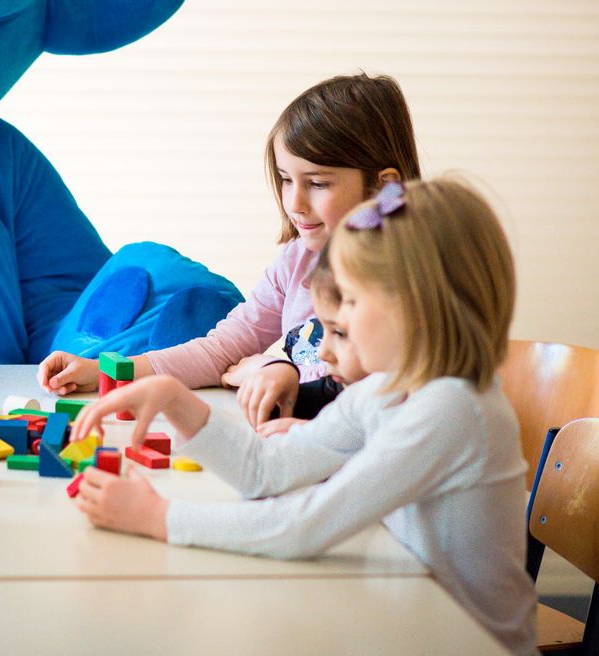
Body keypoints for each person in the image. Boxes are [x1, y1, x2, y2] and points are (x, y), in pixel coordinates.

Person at [70, 178, 536, 654]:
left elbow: (305, 526)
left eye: (349, 304)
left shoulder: (452, 408)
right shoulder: (384, 390)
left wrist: (158, 517)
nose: (327, 341)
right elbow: (266, 472)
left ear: (418, 308)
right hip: (405, 617)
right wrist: (175, 398)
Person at [39, 72, 419, 402]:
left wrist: (269, 371)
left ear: (383, 187)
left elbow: (367, 394)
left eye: (318, 183)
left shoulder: (409, 278)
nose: (295, 203)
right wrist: (104, 370)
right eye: (286, 180)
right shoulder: (295, 260)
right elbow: (223, 348)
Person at [243, 247, 369, 435]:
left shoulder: (417, 407)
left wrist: (316, 435)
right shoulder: (347, 389)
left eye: (340, 333)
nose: (322, 353)